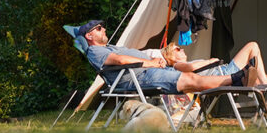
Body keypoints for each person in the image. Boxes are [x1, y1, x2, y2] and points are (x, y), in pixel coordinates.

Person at [78, 20, 253, 94]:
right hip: (140, 77)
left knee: (192, 78)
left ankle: (235, 80)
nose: (104, 29)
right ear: (89, 36)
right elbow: (120, 61)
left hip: (150, 72)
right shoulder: (95, 51)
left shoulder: (109, 47)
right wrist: (151, 62)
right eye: (99, 29)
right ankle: (236, 79)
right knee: (189, 79)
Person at [161, 41, 267, 90]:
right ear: (171, 56)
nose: (181, 49)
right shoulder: (177, 66)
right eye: (177, 49)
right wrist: (210, 61)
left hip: (223, 73)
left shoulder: (183, 63)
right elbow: (191, 69)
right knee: (253, 46)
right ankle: (265, 82)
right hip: (223, 75)